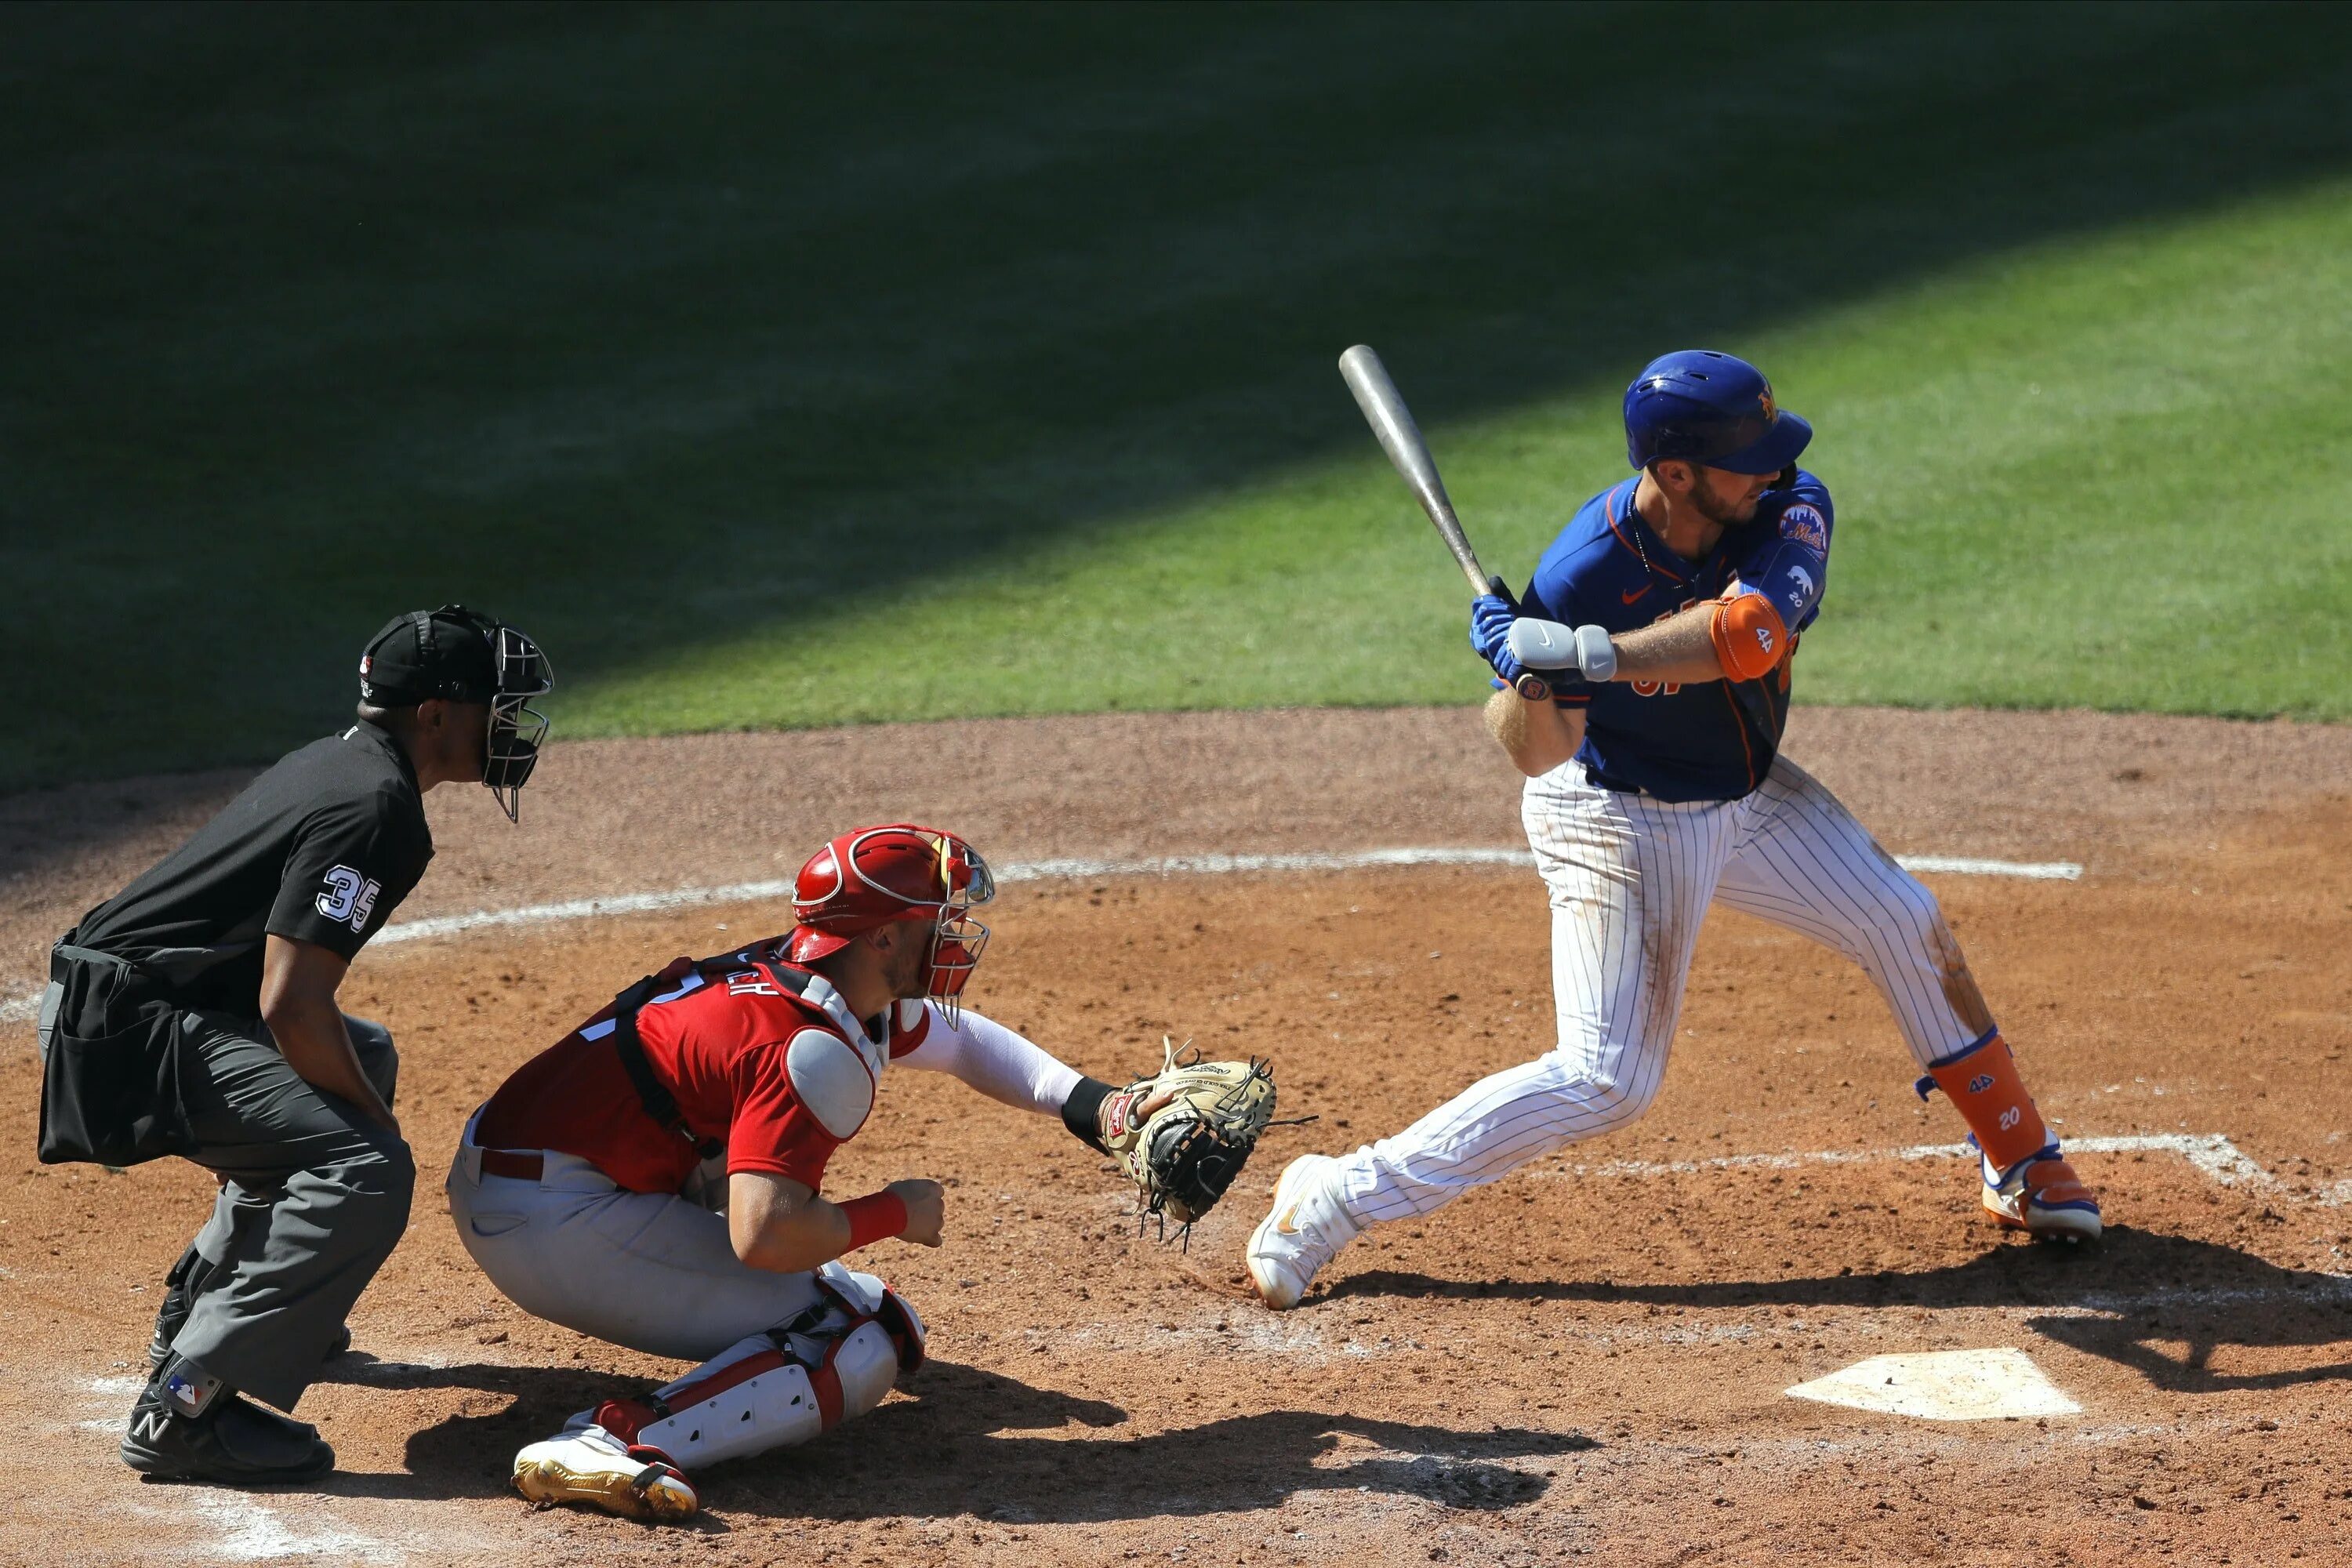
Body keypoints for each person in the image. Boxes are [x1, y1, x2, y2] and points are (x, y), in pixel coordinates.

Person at [1246, 350, 2100, 1311]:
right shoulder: (1581, 574)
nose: (1776, 468)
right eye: (1749, 455)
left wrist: (1585, 653)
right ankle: (1332, 1194)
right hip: (1616, 815)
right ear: (1679, 471)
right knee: (1608, 1079)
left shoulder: (1788, 505)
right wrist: (1530, 678)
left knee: (1904, 921)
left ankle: (2020, 1159)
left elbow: (1750, 634)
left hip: (1743, 791)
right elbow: (1536, 752)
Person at [449, 824, 1193, 1523]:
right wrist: (895, 1212)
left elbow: (962, 1042)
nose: (953, 935)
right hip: (549, 1215)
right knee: (851, 1343)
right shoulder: (803, 1046)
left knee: (882, 1319)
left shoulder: (822, 979)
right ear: (882, 936)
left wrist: (1098, 1107)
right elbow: (765, 1237)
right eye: (938, 919)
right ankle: (610, 1440)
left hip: (550, 1170)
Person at [35, 605, 553, 1481]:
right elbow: (292, 1001)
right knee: (366, 1167)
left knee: (369, 1057)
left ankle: (211, 1307)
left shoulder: (339, 761)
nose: (508, 723)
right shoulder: (375, 806)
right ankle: (188, 1407)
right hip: (127, 1033)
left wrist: (357, 1092)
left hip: (123, 1005)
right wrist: (370, 1129)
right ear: (435, 715)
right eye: (492, 705)